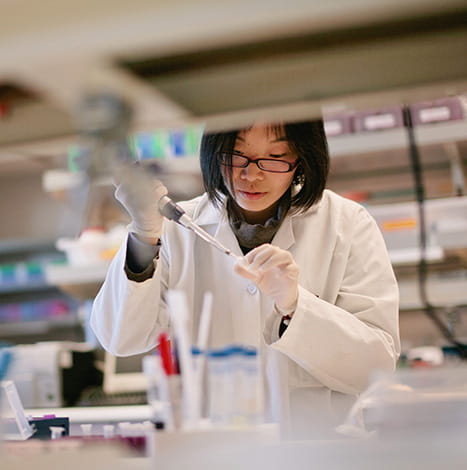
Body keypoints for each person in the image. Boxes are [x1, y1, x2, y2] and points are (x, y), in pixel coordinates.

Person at [91, 120, 400, 438]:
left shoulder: (346, 224)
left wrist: (296, 305)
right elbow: (121, 337)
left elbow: (374, 370)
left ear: (302, 159)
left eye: (276, 156)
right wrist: (144, 234)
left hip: (319, 453)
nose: (251, 175)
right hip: (217, 452)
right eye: (236, 155)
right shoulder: (176, 228)